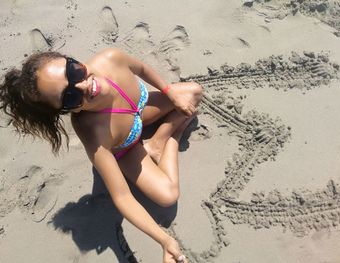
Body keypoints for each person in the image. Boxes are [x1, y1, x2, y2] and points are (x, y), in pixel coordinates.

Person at [0, 48, 202, 263]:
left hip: (139, 111)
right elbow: (122, 197)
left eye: (73, 71)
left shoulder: (111, 58)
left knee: (193, 91)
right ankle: (172, 135)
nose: (84, 85)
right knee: (167, 196)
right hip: (127, 148)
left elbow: (141, 68)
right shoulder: (93, 132)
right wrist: (164, 240)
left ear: (70, 59)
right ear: (68, 110)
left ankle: (158, 140)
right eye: (69, 97)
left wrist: (168, 91)